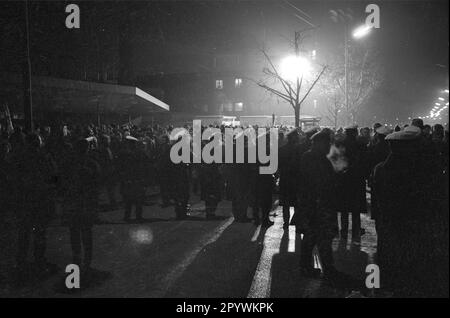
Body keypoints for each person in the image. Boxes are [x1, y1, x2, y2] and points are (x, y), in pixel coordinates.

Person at [373, 126, 447, 296]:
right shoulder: (421, 170)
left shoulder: (381, 169)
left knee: (388, 265)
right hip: (413, 227)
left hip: (390, 225)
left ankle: (382, 287)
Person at [298, 130, 340, 280]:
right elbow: (315, 182)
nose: (329, 145)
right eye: (327, 143)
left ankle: (316, 267)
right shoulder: (312, 158)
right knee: (315, 238)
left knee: (318, 238)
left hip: (317, 204)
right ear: (319, 143)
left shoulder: (316, 157)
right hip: (315, 205)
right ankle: (316, 268)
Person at [14, 133, 57, 276]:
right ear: (38, 142)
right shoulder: (44, 157)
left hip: (25, 200)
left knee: (24, 232)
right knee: (39, 232)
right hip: (40, 199)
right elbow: (53, 176)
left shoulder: (20, 157)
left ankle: (21, 261)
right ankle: (39, 260)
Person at [63, 138, 100, 270]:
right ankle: (87, 259)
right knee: (86, 231)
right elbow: (97, 184)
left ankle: (77, 257)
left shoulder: (68, 164)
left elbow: (62, 182)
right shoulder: (92, 164)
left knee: (74, 231)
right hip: (86, 202)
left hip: (73, 202)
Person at [338, 125, 368, 243]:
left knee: (344, 209)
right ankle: (355, 233)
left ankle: (344, 233)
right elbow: (366, 161)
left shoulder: (340, 144)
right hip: (357, 180)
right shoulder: (361, 145)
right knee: (356, 210)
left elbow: (335, 162)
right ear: (355, 133)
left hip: (343, 181)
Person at [117, 136, 149, 222]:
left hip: (128, 179)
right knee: (138, 198)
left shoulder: (123, 153)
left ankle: (127, 216)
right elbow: (146, 163)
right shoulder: (140, 152)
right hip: (137, 178)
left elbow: (120, 166)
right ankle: (138, 216)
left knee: (128, 199)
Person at [278, 129, 300, 228]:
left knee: (285, 204)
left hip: (285, 178)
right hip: (296, 179)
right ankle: (296, 221)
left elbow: (278, 165)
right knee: (296, 202)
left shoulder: (282, 149)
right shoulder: (299, 149)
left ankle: (286, 222)